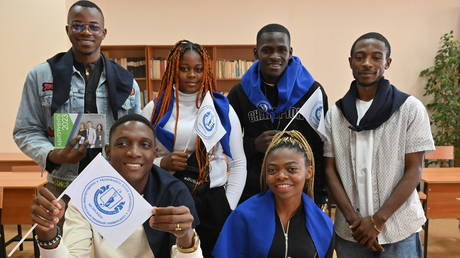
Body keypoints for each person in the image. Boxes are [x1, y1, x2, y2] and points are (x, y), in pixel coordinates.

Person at [13, 0, 141, 205]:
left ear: (104, 32)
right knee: (58, 237)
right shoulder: (40, 76)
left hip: (112, 186)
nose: (86, 32)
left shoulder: (127, 82)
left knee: (110, 239)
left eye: (93, 26)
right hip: (62, 187)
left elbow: (138, 135)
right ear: (68, 30)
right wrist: (55, 155)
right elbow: (25, 130)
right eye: (78, 25)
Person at [324, 32, 435, 257]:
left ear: (388, 62)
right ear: (350, 62)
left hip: (398, 228)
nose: (367, 63)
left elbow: (414, 169)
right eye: (360, 57)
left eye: (376, 57)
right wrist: (356, 222)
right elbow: (329, 170)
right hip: (351, 232)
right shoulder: (335, 115)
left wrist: (377, 221)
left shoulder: (410, 109)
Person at [32, 114, 202, 257]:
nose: (134, 153)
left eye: (145, 145)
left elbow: (186, 245)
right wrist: (48, 236)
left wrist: (186, 237)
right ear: (108, 151)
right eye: (122, 144)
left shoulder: (174, 192)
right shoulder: (88, 193)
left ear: (154, 153)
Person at [142, 40, 246, 257]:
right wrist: (163, 163)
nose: (192, 75)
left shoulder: (221, 108)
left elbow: (238, 163)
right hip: (171, 197)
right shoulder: (154, 109)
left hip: (214, 199)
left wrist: (229, 205)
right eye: (184, 69)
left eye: (198, 69)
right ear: (172, 69)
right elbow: (138, 161)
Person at [226, 23, 328, 205]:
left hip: (300, 189)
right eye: (267, 50)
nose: (275, 56)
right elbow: (226, 145)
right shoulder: (240, 92)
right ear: (256, 53)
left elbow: (322, 145)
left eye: (281, 50)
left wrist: (318, 195)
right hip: (254, 188)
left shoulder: (312, 91)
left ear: (290, 52)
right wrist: (253, 145)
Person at [213, 130, 334, 258]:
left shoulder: (322, 223)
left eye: (291, 169)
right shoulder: (243, 216)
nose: (281, 176)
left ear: (308, 172)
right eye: (272, 170)